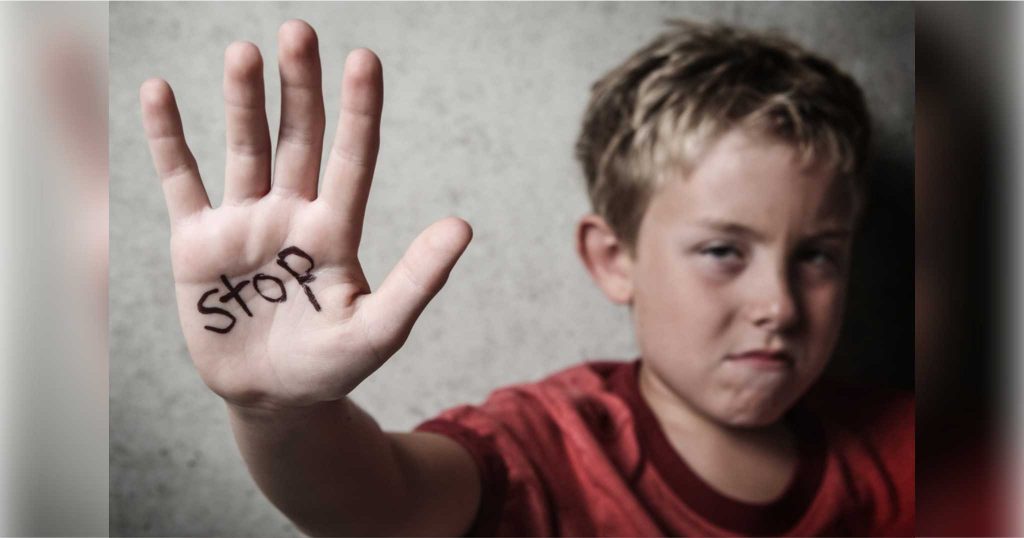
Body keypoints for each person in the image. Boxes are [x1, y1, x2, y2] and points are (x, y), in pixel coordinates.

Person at [140, 18, 913, 537]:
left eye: (817, 255)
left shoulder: (910, 450)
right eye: (723, 252)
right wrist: (278, 412)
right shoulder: (545, 449)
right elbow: (382, 504)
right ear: (613, 259)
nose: (778, 305)